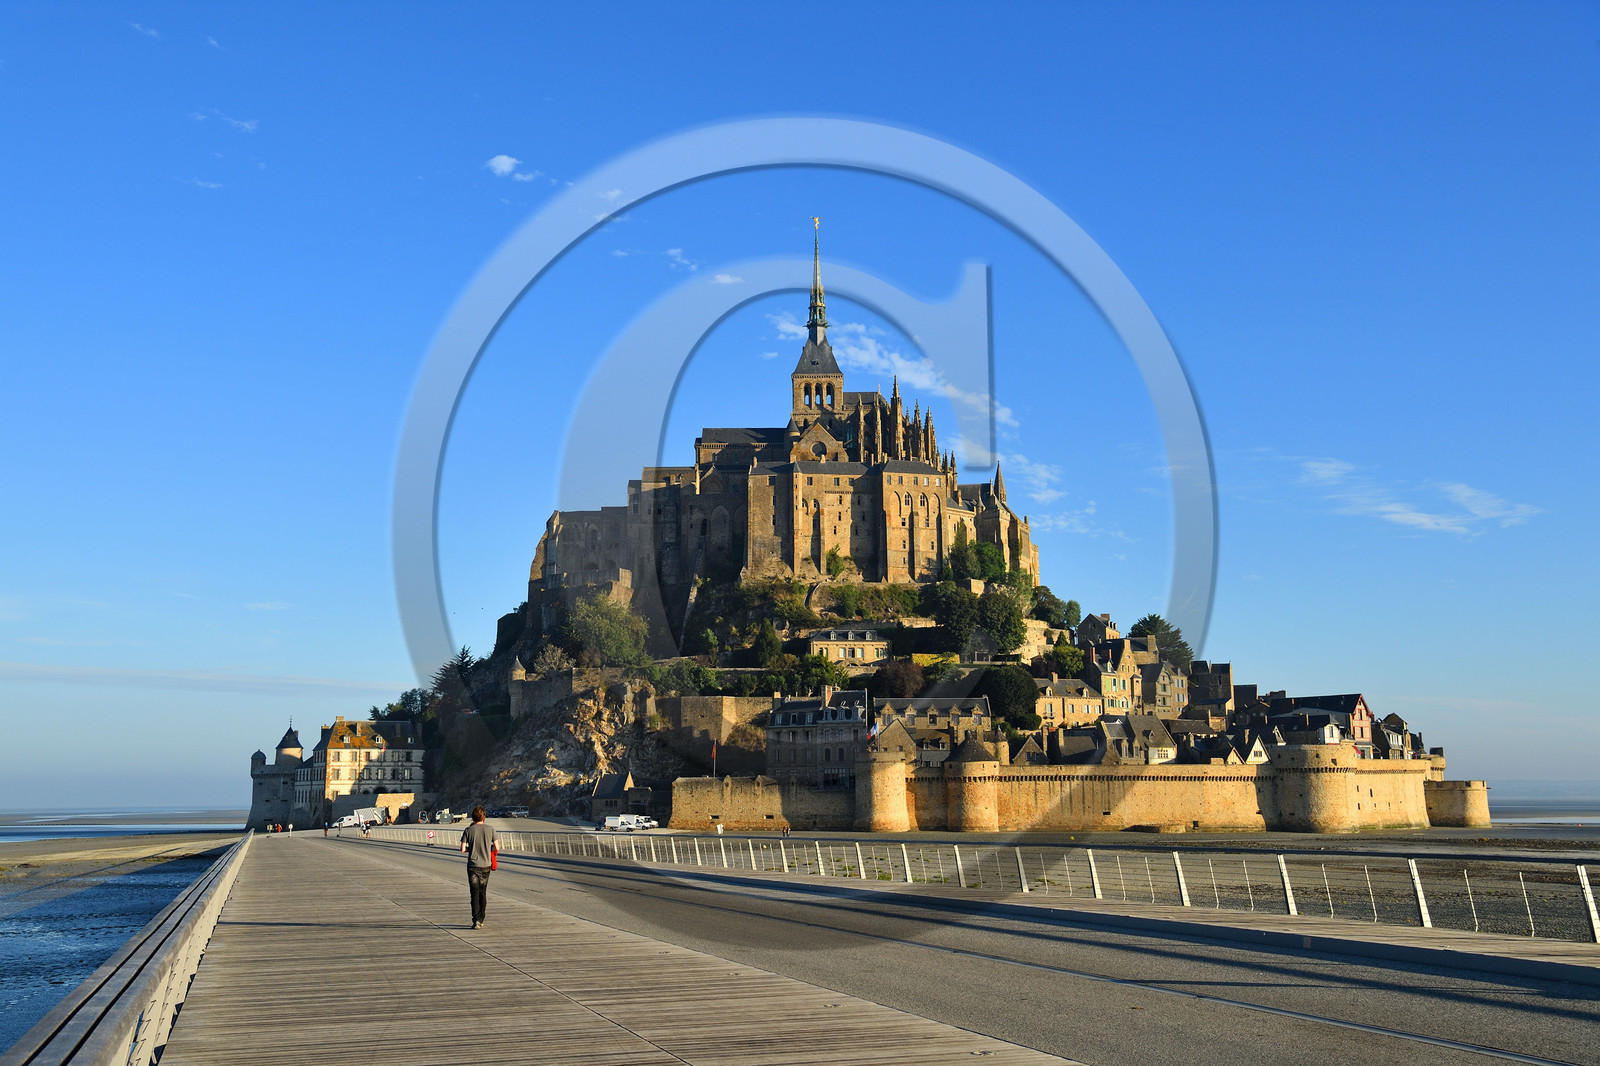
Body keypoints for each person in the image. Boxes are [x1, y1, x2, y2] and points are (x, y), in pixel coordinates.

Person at [459, 806, 498, 929]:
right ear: (483, 816)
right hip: (486, 865)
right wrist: (488, 849)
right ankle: (481, 919)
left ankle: (475, 920)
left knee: (474, 894)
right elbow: (497, 847)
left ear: (473, 816)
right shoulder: (490, 829)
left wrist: (472, 849)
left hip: (472, 866)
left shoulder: (468, 830)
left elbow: (462, 849)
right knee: (483, 893)